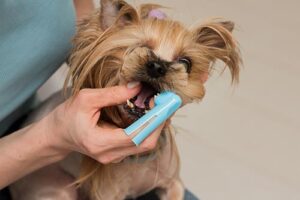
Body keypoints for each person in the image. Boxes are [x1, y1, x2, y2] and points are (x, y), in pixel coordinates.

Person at [0, 0, 200, 199]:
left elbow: (81, 12)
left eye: (183, 62)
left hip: (26, 114)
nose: (158, 67)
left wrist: (98, 48)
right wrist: (54, 138)